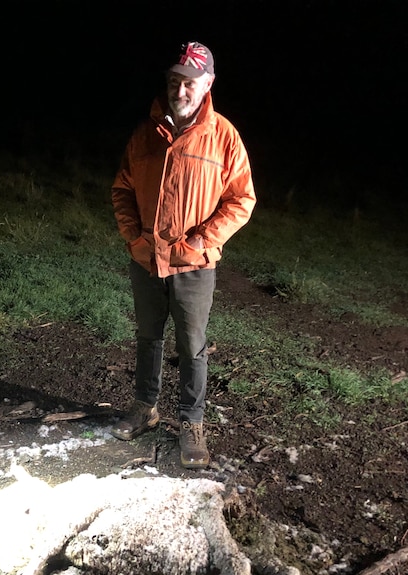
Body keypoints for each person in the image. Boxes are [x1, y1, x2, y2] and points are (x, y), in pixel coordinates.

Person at [110, 41, 256, 469]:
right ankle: (144, 406)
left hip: (193, 266)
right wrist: (133, 237)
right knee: (148, 336)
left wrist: (199, 242)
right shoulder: (146, 133)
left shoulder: (224, 136)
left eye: (190, 82)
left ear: (207, 84)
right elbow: (122, 188)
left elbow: (241, 200)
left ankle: (191, 424)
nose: (181, 90)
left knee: (191, 346)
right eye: (175, 81)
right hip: (146, 259)